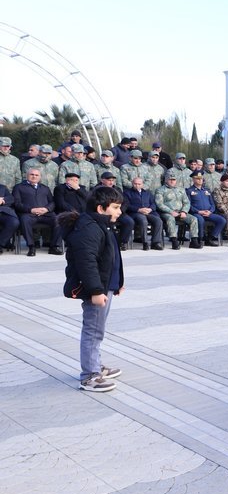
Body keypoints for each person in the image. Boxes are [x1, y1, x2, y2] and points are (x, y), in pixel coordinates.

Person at [60, 185, 125, 392]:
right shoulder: (90, 228)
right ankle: (89, 376)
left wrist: (117, 282)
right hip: (96, 288)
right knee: (93, 331)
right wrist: (96, 291)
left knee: (98, 329)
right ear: (100, 208)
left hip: (105, 285)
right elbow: (87, 263)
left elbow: (110, 257)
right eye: (115, 207)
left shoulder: (101, 224)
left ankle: (95, 365)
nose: (119, 212)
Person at [13, 168, 57, 257]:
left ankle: (54, 247)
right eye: (32, 174)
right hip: (28, 214)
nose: (34, 176)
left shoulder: (45, 188)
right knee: (24, 220)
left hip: (45, 214)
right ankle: (31, 246)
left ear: (40, 177)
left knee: (59, 220)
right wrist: (31, 210)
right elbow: (16, 203)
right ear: (27, 176)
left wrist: (47, 209)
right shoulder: (18, 187)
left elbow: (52, 202)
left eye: (37, 175)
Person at [123, 176, 163, 250]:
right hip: (135, 213)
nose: (137, 185)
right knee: (143, 220)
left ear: (142, 185)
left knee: (158, 221)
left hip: (148, 212)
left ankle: (155, 242)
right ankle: (145, 242)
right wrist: (139, 210)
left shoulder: (147, 193)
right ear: (132, 184)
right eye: (135, 184)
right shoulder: (127, 193)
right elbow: (127, 205)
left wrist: (150, 209)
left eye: (139, 184)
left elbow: (153, 203)